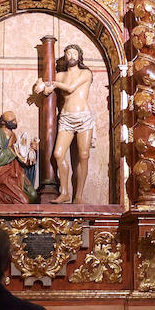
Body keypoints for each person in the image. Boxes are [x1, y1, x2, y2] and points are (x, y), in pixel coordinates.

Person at [38, 45, 95, 203]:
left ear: (79, 56)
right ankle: (64, 193)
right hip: (66, 117)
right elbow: (46, 87)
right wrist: (41, 85)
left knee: (83, 155)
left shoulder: (85, 73)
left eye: (74, 53)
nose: (71, 56)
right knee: (58, 154)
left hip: (83, 117)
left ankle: (78, 196)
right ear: (65, 57)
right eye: (68, 53)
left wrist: (53, 84)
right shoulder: (60, 75)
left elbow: (70, 88)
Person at [0, 111, 38, 204]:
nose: (15, 122)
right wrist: (14, 149)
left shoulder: (14, 136)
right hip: (0, 172)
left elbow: (20, 157)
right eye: (12, 120)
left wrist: (32, 151)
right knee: (24, 201)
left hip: (15, 171)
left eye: (15, 119)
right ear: (3, 122)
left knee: (33, 195)